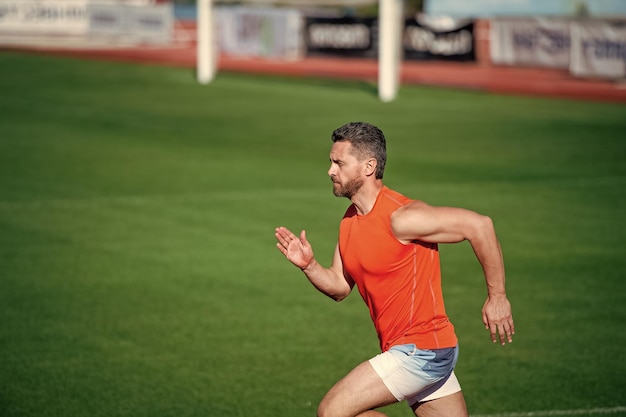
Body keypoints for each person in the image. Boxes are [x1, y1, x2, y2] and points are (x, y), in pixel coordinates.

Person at [275, 122, 514, 417]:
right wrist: (309, 266)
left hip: (421, 349)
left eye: (339, 163)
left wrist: (497, 296)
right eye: (330, 162)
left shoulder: (401, 217)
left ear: (368, 167)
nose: (330, 171)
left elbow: (479, 225)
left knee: (332, 412)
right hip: (418, 351)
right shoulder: (349, 221)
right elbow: (339, 287)